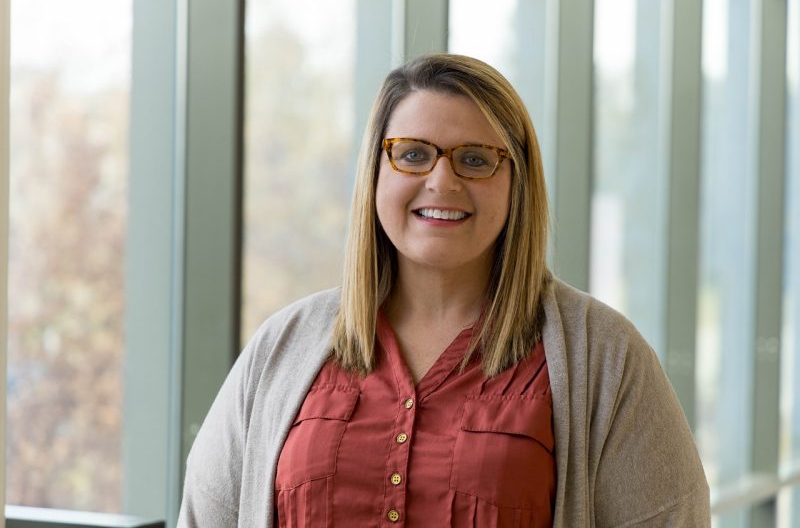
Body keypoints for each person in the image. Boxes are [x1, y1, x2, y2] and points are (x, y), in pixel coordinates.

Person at [177, 54, 710, 527]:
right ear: (376, 172)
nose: (441, 181)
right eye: (412, 154)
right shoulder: (281, 348)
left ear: (516, 183)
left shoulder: (605, 358)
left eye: (475, 160)